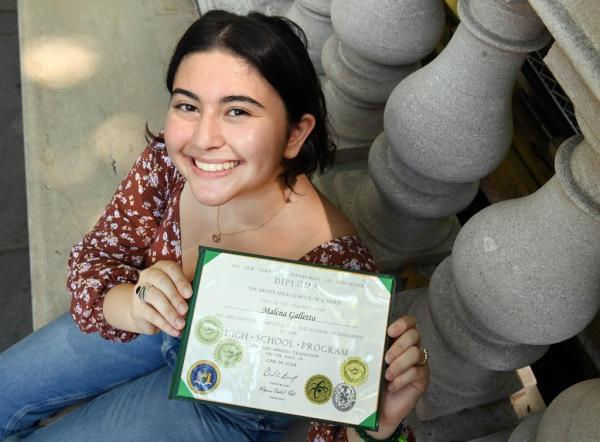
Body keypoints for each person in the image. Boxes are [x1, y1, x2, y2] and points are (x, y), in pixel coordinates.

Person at [0, 10, 430, 441]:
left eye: (238, 111)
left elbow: (331, 419)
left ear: (296, 133)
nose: (203, 138)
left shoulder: (337, 269)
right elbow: (99, 258)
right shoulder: (168, 165)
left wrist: (378, 428)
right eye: (187, 105)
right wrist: (132, 302)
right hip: (150, 327)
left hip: (222, 408)